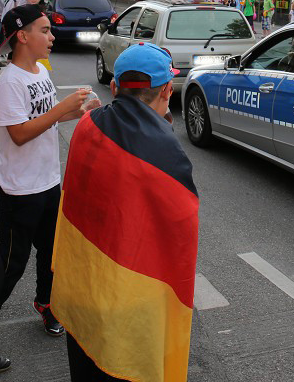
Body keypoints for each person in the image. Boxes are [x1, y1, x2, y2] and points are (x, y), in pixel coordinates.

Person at [0, 5, 97, 373]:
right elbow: (19, 134)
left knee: (52, 252)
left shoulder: (40, 72)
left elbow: (46, 117)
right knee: (10, 266)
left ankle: (46, 302)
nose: (52, 37)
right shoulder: (11, 81)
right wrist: (61, 109)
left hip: (48, 180)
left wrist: (79, 111)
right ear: (22, 35)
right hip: (20, 190)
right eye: (45, 30)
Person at [50, 43, 198, 382]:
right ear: (166, 90)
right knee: (123, 366)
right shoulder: (166, 152)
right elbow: (178, 236)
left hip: (82, 286)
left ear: (115, 87)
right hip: (130, 297)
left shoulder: (89, 127)